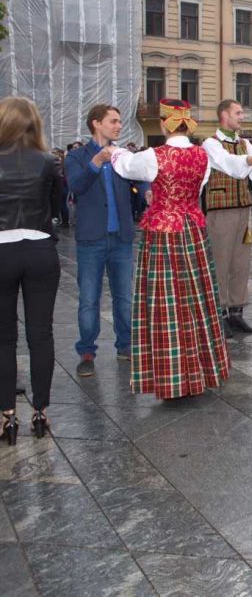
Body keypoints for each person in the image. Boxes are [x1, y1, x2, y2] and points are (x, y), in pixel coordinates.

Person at [109, 99, 230, 399]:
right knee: (197, 299)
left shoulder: (154, 155)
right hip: (193, 230)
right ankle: (202, 369)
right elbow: (200, 185)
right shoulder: (202, 155)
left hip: (164, 233)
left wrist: (115, 150)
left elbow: (125, 167)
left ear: (164, 123)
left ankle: (173, 376)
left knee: (166, 302)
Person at [0, 98, 61, 445]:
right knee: (41, 334)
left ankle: (7, 415)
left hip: (1, 250)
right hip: (39, 249)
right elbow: (56, 208)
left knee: (3, 338)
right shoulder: (47, 161)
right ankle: (40, 411)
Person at [65, 105, 140, 377]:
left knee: (124, 297)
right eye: (113, 121)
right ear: (96, 124)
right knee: (88, 299)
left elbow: (139, 180)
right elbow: (76, 185)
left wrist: (149, 191)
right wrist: (96, 163)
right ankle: (86, 351)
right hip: (91, 240)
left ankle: (126, 346)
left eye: (120, 121)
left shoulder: (124, 155)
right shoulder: (75, 157)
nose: (119, 126)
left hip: (121, 238)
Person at [201, 99, 252, 338]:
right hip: (221, 210)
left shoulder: (244, 142)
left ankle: (236, 312)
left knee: (242, 263)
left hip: (244, 209)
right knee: (220, 262)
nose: (242, 116)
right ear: (224, 115)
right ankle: (220, 315)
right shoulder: (210, 143)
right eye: (238, 113)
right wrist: (251, 161)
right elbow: (230, 166)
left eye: (242, 112)